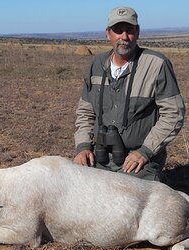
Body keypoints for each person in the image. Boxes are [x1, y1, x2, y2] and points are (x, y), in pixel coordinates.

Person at [73, 6, 185, 181]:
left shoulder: (156, 64)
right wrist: (83, 147)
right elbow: (85, 112)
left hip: (139, 158)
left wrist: (145, 151)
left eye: (130, 30)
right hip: (100, 155)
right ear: (108, 34)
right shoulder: (96, 65)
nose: (124, 37)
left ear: (138, 32)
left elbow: (174, 113)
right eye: (118, 30)